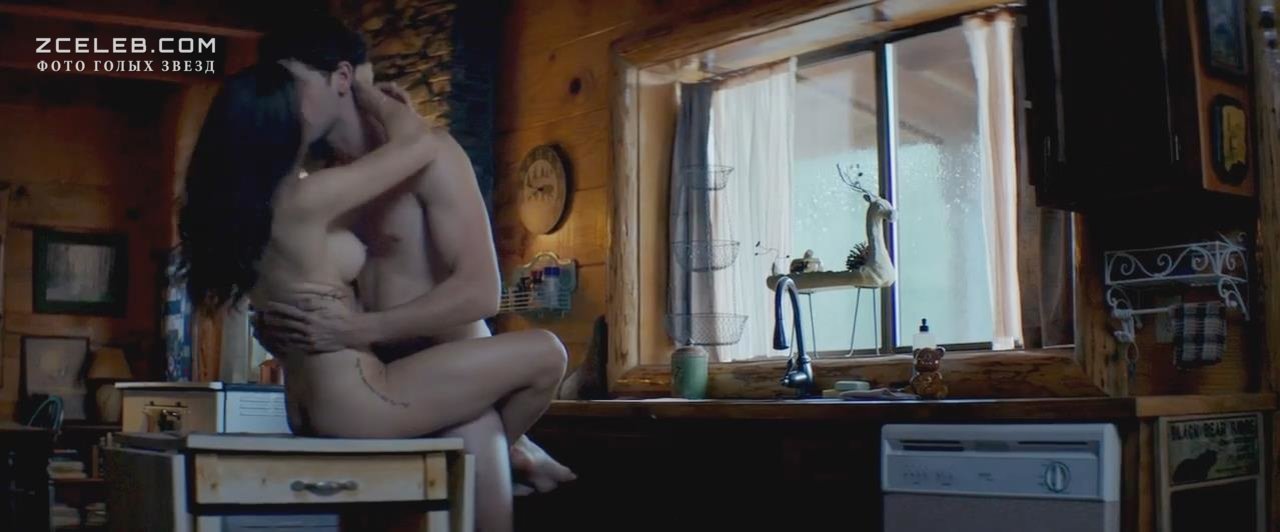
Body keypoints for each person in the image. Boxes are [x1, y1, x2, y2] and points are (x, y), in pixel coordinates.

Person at [178, 63, 560, 532]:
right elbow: (420, 145)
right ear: (279, 127)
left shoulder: (249, 211)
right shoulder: (305, 199)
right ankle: (515, 452)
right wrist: (375, 96)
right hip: (361, 399)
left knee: (478, 426)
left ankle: (512, 451)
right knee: (548, 353)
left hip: (309, 403)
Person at [252, 16, 577, 496]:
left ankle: (514, 449)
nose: (282, 100)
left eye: (291, 83)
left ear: (341, 78)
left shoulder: (433, 156)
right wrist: (280, 328)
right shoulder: (316, 181)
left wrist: (358, 329)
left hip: (450, 371)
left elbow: (481, 292)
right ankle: (520, 453)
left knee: (475, 486)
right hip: (377, 387)